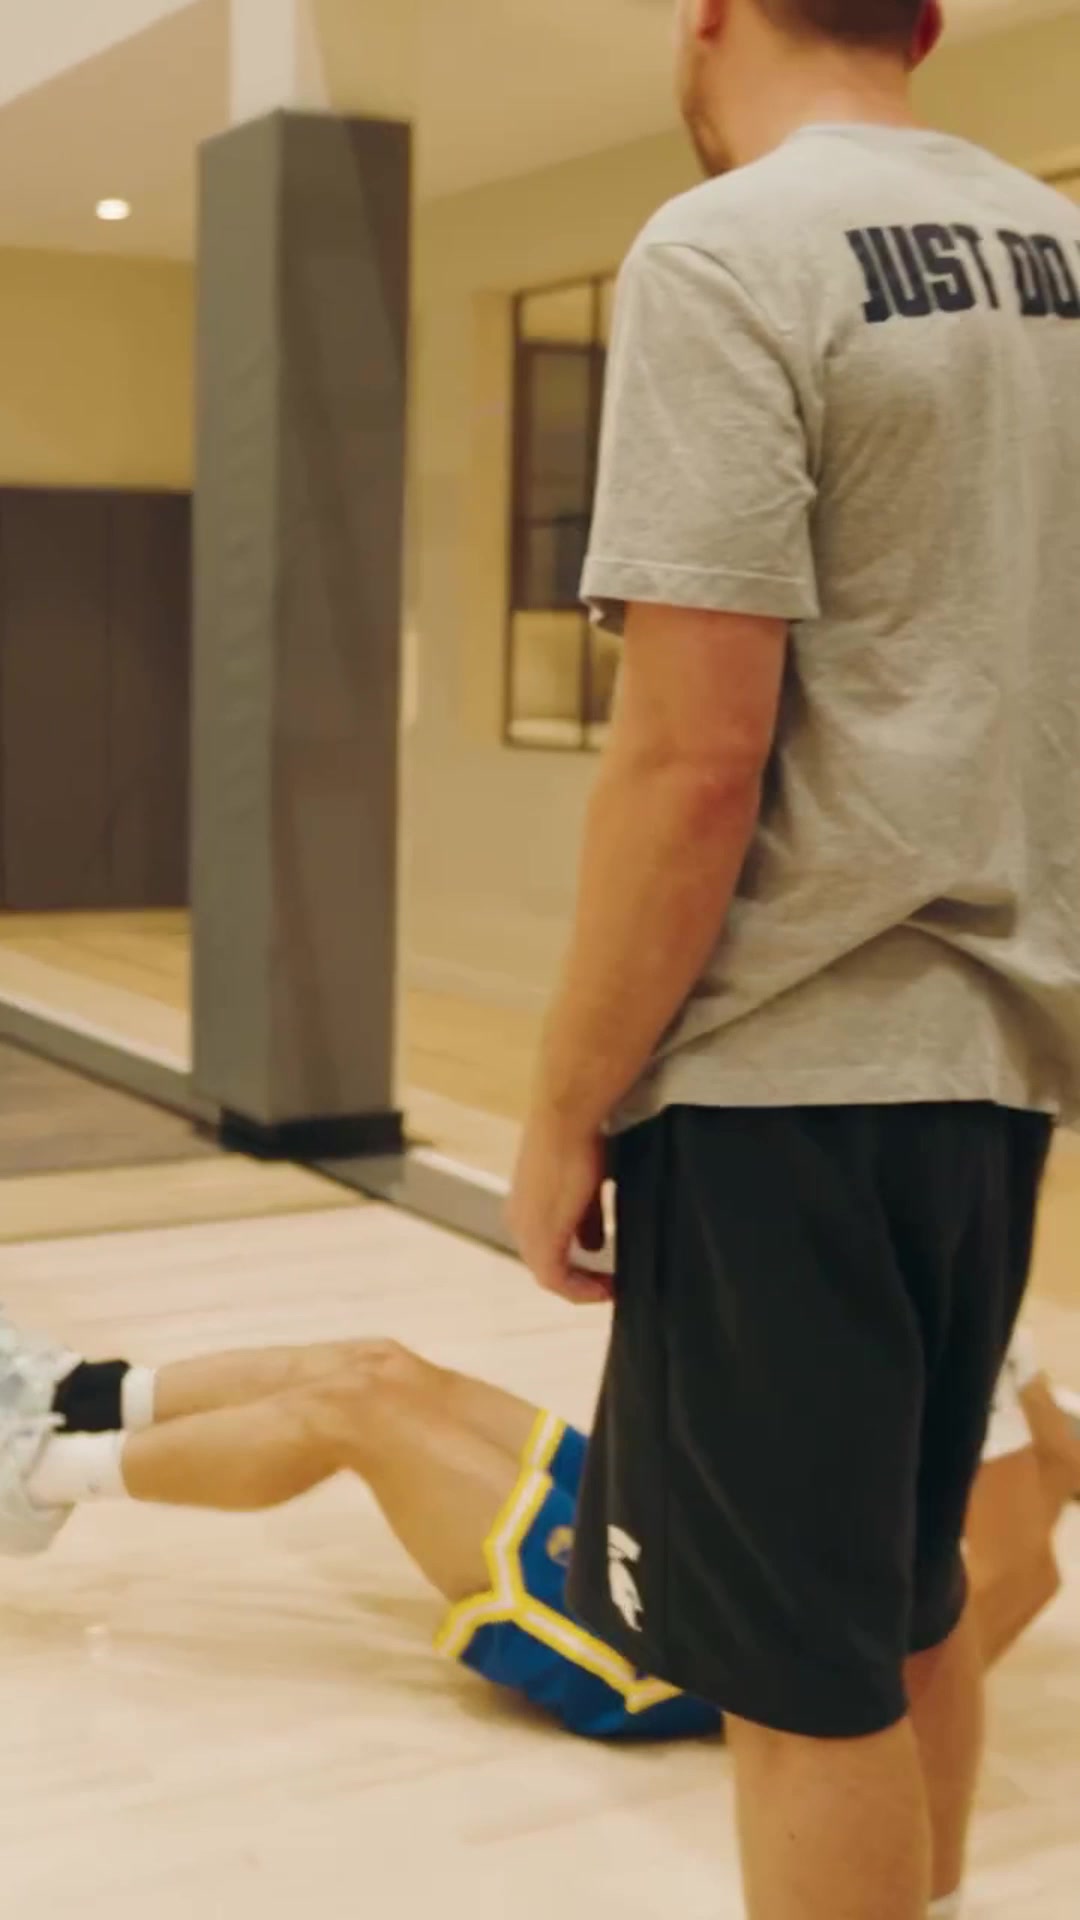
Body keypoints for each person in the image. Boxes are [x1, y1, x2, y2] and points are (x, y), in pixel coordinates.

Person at [507, 2, 1080, 1916]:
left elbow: (692, 760)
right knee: (908, 1607)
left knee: (799, 1691)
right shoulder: (1062, 253)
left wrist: (566, 1107)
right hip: (996, 1075)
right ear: (926, 18)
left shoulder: (730, 245)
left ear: (711, 11)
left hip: (787, 1085)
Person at [0, 1315, 1075, 1742]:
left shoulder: (938, 1272)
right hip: (695, 1539)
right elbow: (1060, 1455)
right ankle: (79, 1396)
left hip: (687, 1647)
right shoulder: (931, 1243)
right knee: (382, 1367)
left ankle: (35, 1478)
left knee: (357, 1414)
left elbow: (1020, 1571)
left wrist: (833, 1726)